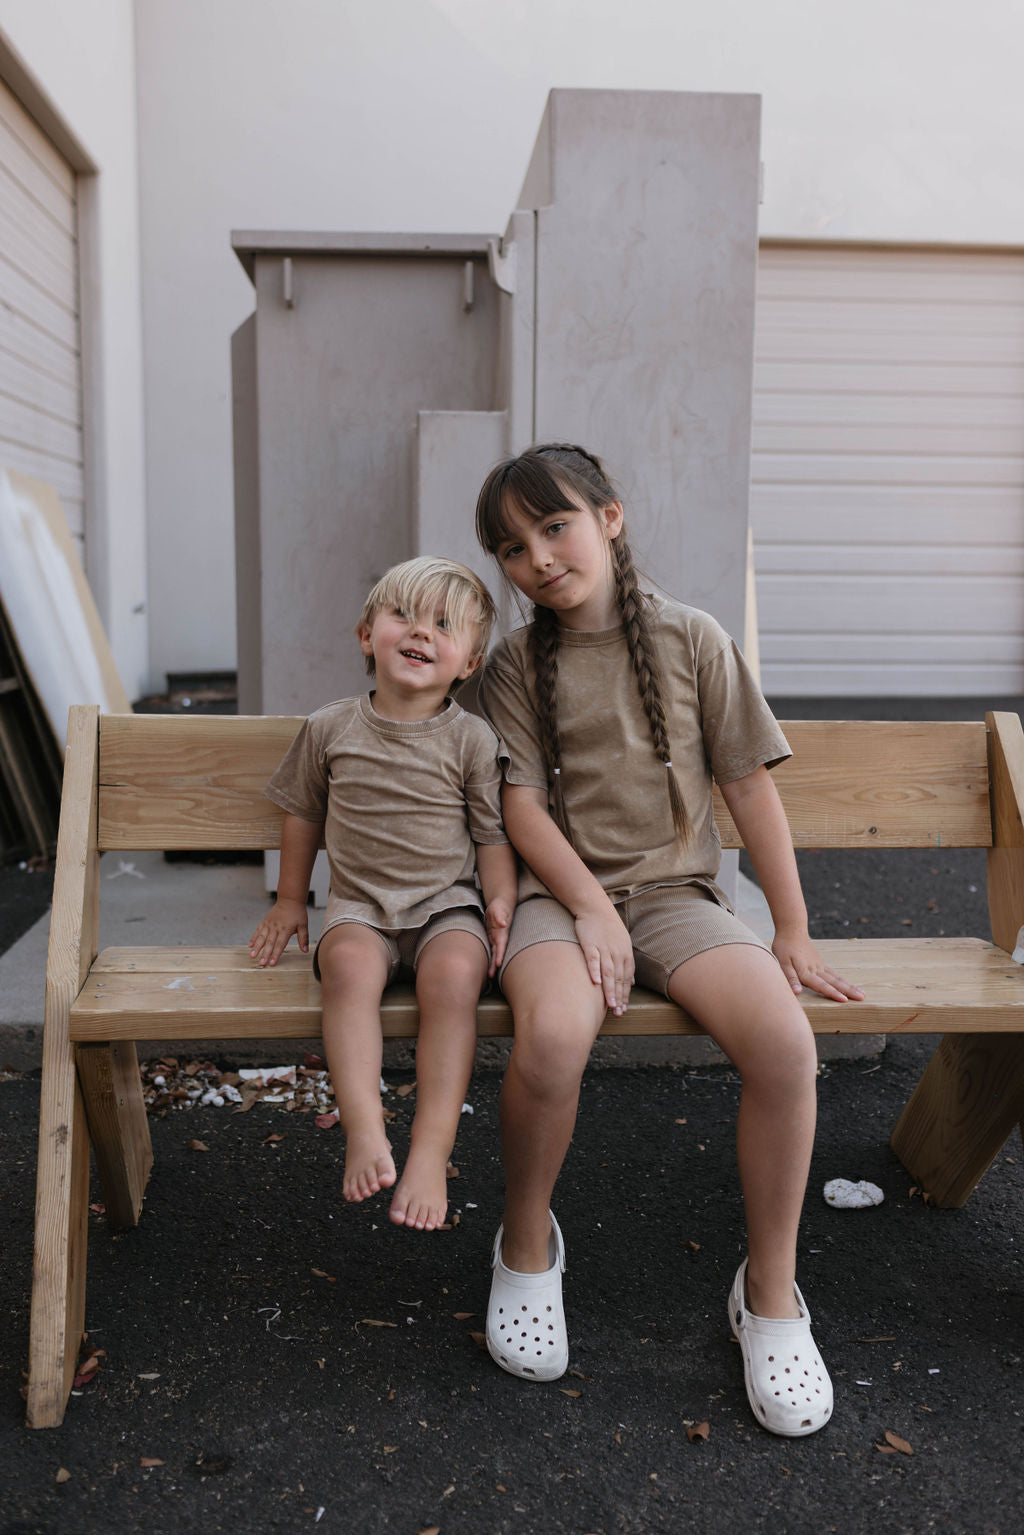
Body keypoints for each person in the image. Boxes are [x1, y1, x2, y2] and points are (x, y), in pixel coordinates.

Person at [474, 443, 863, 1434]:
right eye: (511, 548)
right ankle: (526, 1244)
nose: (538, 558)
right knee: (553, 1037)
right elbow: (518, 807)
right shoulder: (515, 663)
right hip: (556, 900)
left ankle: (769, 1294)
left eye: (552, 526)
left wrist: (790, 922)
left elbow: (747, 785)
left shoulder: (691, 638)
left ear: (609, 515)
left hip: (676, 894)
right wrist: (590, 907)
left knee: (784, 1045)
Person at [249, 556, 517, 1233]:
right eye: (403, 615)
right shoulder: (331, 727)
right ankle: (365, 1128)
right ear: (367, 634)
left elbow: (491, 836)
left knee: (456, 975)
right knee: (346, 969)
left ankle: (430, 1150)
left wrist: (500, 904)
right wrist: (289, 900)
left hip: (446, 906)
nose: (421, 632)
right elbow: (302, 814)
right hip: (360, 907)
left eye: (444, 624)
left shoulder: (471, 738)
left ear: (470, 661)